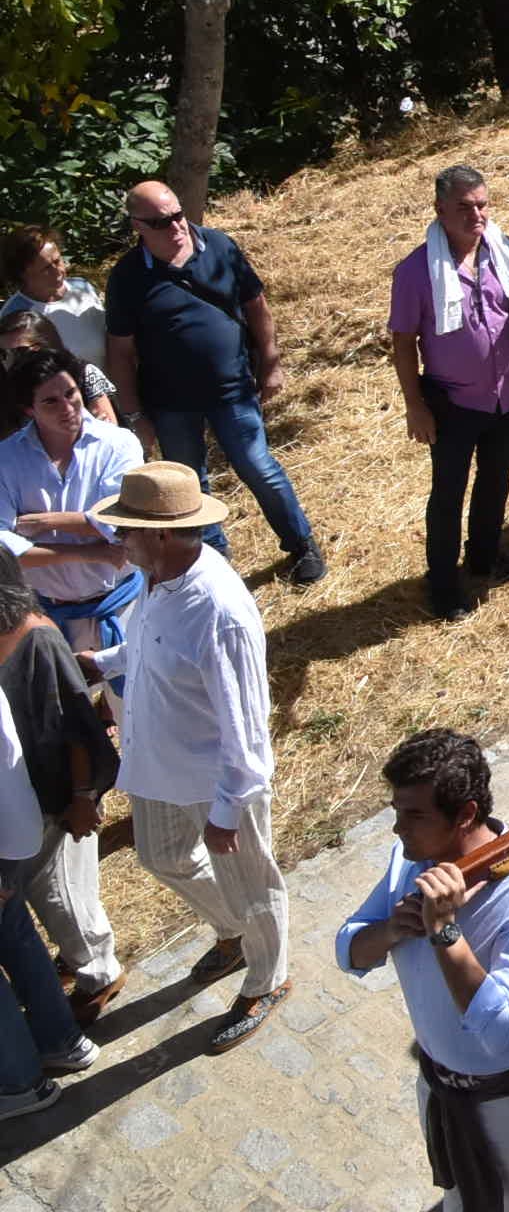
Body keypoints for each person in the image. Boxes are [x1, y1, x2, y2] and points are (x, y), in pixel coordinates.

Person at [338, 729, 509, 1210]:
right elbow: (348, 947)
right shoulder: (410, 863)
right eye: (398, 812)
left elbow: (498, 1027)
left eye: (414, 815)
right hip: (443, 1090)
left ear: (466, 814)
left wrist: (445, 932)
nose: (396, 829)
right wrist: (391, 930)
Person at [98, 460, 291, 1051]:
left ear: (158, 534)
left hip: (214, 782)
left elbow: (246, 727)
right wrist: (102, 665)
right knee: (161, 857)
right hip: (156, 764)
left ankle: (268, 977)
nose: (118, 539)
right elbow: (148, 648)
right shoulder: (157, 578)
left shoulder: (219, 610)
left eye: (124, 529)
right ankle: (234, 932)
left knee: (251, 882)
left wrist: (229, 812)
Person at [103, 182, 322, 582]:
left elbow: (257, 307)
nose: (175, 226)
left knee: (258, 466)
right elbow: (119, 353)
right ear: (138, 226)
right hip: (169, 402)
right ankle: (213, 560)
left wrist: (271, 361)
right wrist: (135, 415)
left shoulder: (219, 247)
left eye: (177, 215)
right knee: (190, 485)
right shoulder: (127, 277)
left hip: (232, 390)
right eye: (161, 222)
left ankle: (301, 544)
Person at [385, 165, 509, 620]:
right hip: (453, 404)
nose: (475, 214)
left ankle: (484, 556)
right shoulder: (416, 272)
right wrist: (414, 407)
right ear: (440, 210)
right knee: (448, 493)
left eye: (481, 204)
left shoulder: (505, 251)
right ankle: (442, 584)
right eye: (463, 207)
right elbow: (403, 343)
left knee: (496, 480)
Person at [0, 584, 114, 1024]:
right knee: (52, 895)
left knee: (62, 894)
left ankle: (100, 976)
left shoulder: (41, 642)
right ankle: (79, 956)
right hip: (32, 796)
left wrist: (83, 798)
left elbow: (79, 727)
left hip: (61, 800)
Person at [0, 350, 141, 667]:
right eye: (51, 402)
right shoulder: (6, 459)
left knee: (135, 707)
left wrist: (43, 523)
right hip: (45, 613)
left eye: (71, 393)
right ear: (28, 409)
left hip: (123, 603)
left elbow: (120, 523)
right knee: (57, 713)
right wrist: (89, 551)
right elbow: (2, 545)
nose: (67, 408)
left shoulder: (118, 444)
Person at [1, 229, 102, 370]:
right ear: (23, 273)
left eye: (58, 261)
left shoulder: (83, 287)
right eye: (47, 268)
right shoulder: (14, 314)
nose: (58, 271)